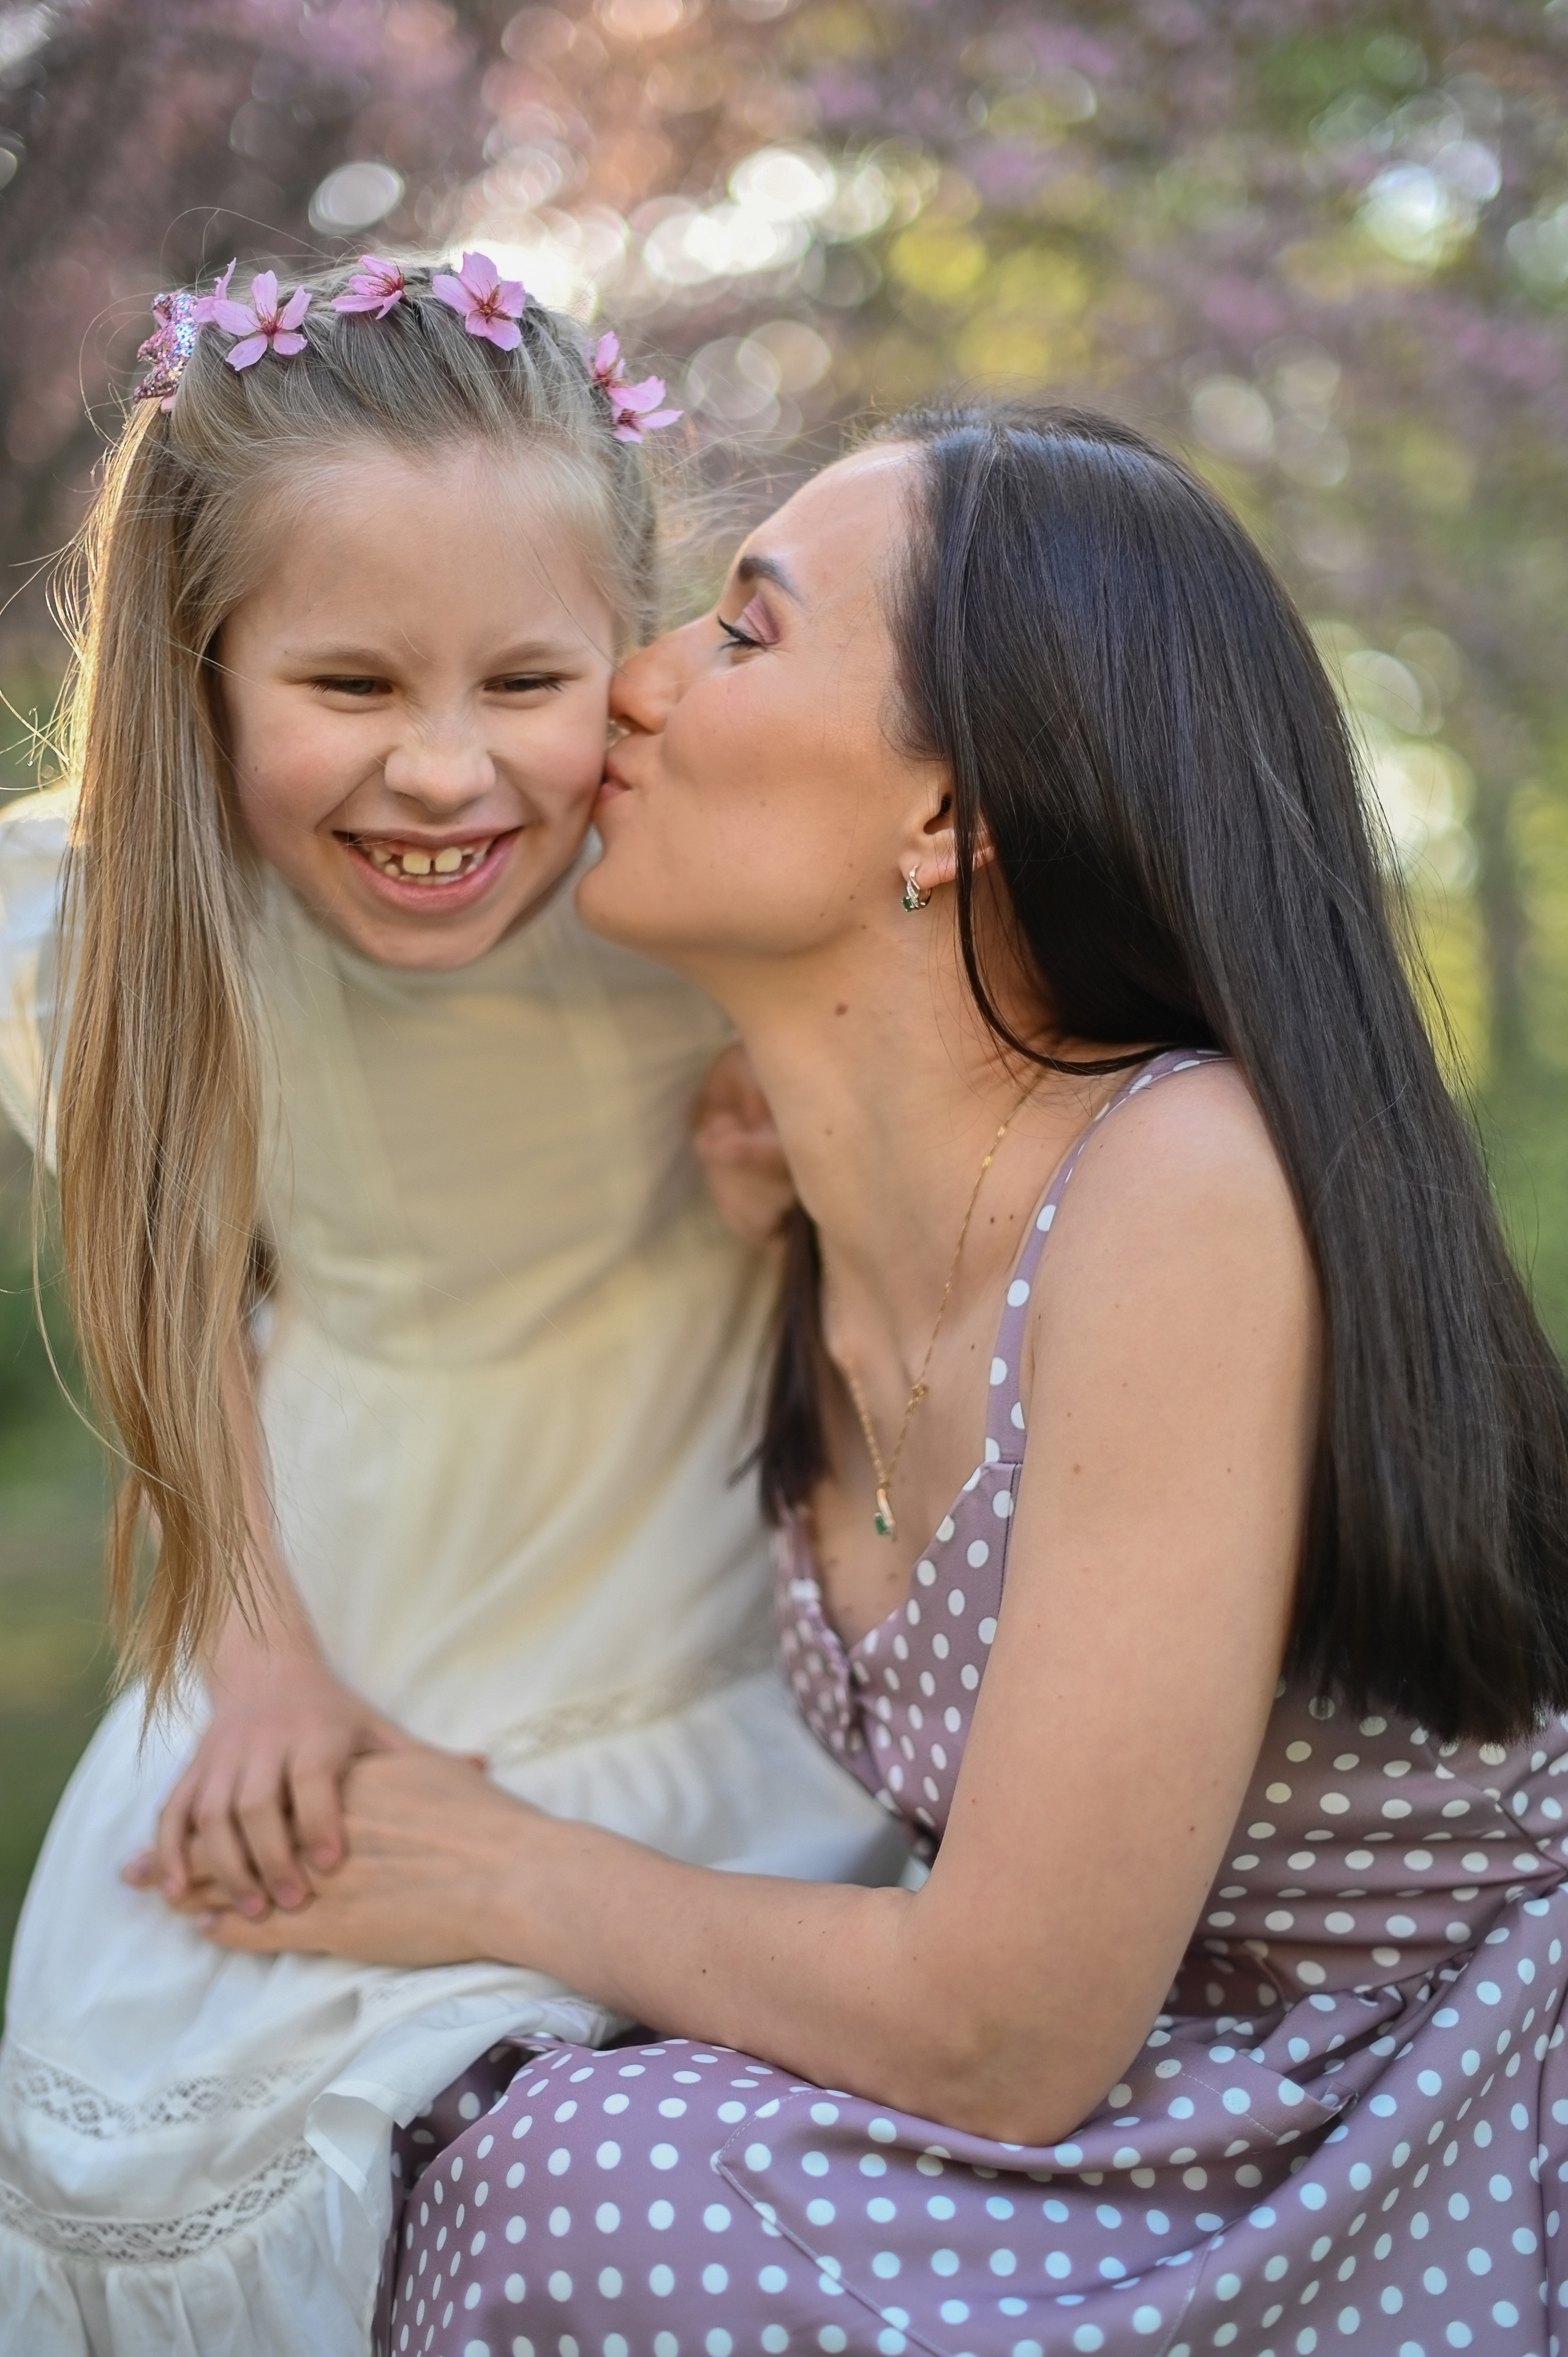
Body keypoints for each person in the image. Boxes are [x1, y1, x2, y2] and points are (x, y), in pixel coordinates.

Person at [180, 404, 1568, 2357]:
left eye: (741, 633)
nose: (632, 687)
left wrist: (501, 1869)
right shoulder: (806, 1233)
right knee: (473, 2143)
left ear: (951, 813)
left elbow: (1001, 2036)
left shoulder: (1185, 1184)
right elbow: (233, 1279)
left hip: (1429, 2119)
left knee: (582, 2198)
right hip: (1193, 2101)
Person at [0, 257, 902, 2356]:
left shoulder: (698, 879)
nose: (442, 776)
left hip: (685, 1533)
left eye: (523, 684)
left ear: (632, 654)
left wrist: (810, 1181)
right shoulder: (101, 919)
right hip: (327, 1556)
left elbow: (942, 1233)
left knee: (601, 2108)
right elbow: (167, 1302)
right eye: (348, 686)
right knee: (165, 2116)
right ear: (202, 662)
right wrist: (260, 1669)